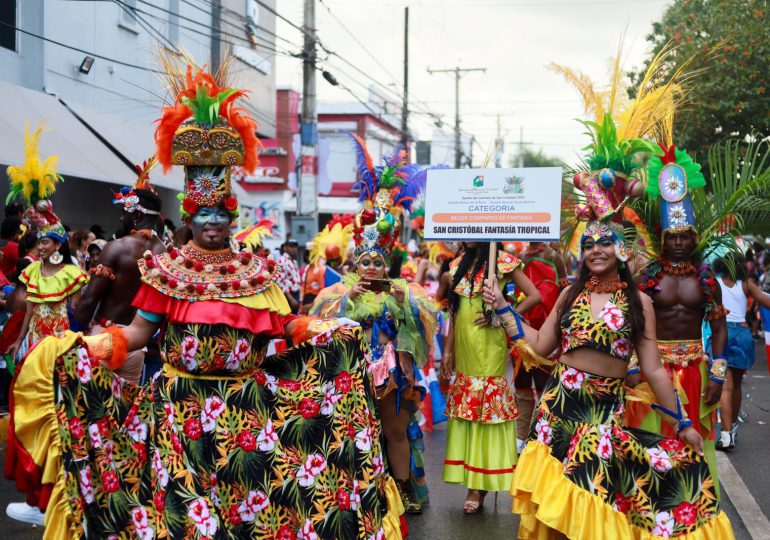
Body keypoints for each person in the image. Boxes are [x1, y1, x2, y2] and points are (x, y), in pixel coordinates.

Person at [4, 63, 402, 539]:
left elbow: (284, 327)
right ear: (189, 216)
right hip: (179, 411)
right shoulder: (167, 272)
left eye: (220, 212)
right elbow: (137, 334)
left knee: (248, 518)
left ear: (232, 217)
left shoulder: (256, 272)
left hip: (248, 415)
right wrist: (82, 347)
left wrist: (325, 329)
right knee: (186, 521)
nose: (212, 221)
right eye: (203, 212)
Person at [311, 136, 438, 514]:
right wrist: (350, 300)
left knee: (395, 431)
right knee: (354, 435)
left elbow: (427, 326)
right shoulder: (338, 291)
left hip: (392, 374)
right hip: (352, 371)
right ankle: (358, 494)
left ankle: (402, 494)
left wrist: (403, 309)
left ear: (388, 265)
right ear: (354, 265)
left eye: (377, 263)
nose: (370, 269)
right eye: (364, 262)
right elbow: (319, 322)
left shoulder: (405, 290)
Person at [3, 121, 90, 526]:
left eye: (50, 242)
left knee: (56, 409)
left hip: (60, 345)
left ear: (59, 244)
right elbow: (30, 313)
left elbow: (76, 311)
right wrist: (16, 344)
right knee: (31, 407)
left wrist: (86, 340)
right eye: (39, 241)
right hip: (33, 343)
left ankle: (54, 492)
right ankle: (37, 487)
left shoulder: (72, 274)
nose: (42, 246)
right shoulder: (31, 273)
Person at [630, 143, 728, 492]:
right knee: (653, 438)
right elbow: (632, 323)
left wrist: (718, 372)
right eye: (673, 237)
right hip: (652, 370)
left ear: (694, 238)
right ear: (663, 238)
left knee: (694, 439)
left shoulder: (705, 280)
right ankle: (653, 502)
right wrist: (630, 365)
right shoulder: (646, 277)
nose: (680, 243)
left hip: (695, 371)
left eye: (686, 237)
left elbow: (718, 327)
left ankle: (694, 502)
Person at [440, 241, 540, 513]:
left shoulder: (503, 261)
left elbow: (534, 296)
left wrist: (503, 315)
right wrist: (447, 351)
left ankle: (477, 488)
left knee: (485, 411)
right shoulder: (457, 264)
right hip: (464, 346)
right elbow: (455, 312)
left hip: (489, 346)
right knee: (467, 412)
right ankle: (472, 477)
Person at [74, 158, 166, 384]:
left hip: (103, 339)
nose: (120, 218)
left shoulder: (117, 248)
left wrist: (77, 334)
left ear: (136, 216)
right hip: (138, 348)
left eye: (124, 214)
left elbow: (88, 301)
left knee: (92, 410)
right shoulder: (166, 255)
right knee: (125, 413)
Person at [713, 254, 770, 450]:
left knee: (725, 386)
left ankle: (727, 434)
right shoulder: (746, 284)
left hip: (721, 335)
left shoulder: (714, 282)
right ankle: (733, 426)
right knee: (735, 386)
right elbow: (766, 300)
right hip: (743, 335)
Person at [275, 239, 301, 313]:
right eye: (291, 246)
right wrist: (291, 299)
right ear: (285, 248)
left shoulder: (294, 262)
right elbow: (279, 281)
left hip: (295, 294)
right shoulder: (282, 261)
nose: (294, 248)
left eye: (295, 246)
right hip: (288, 296)